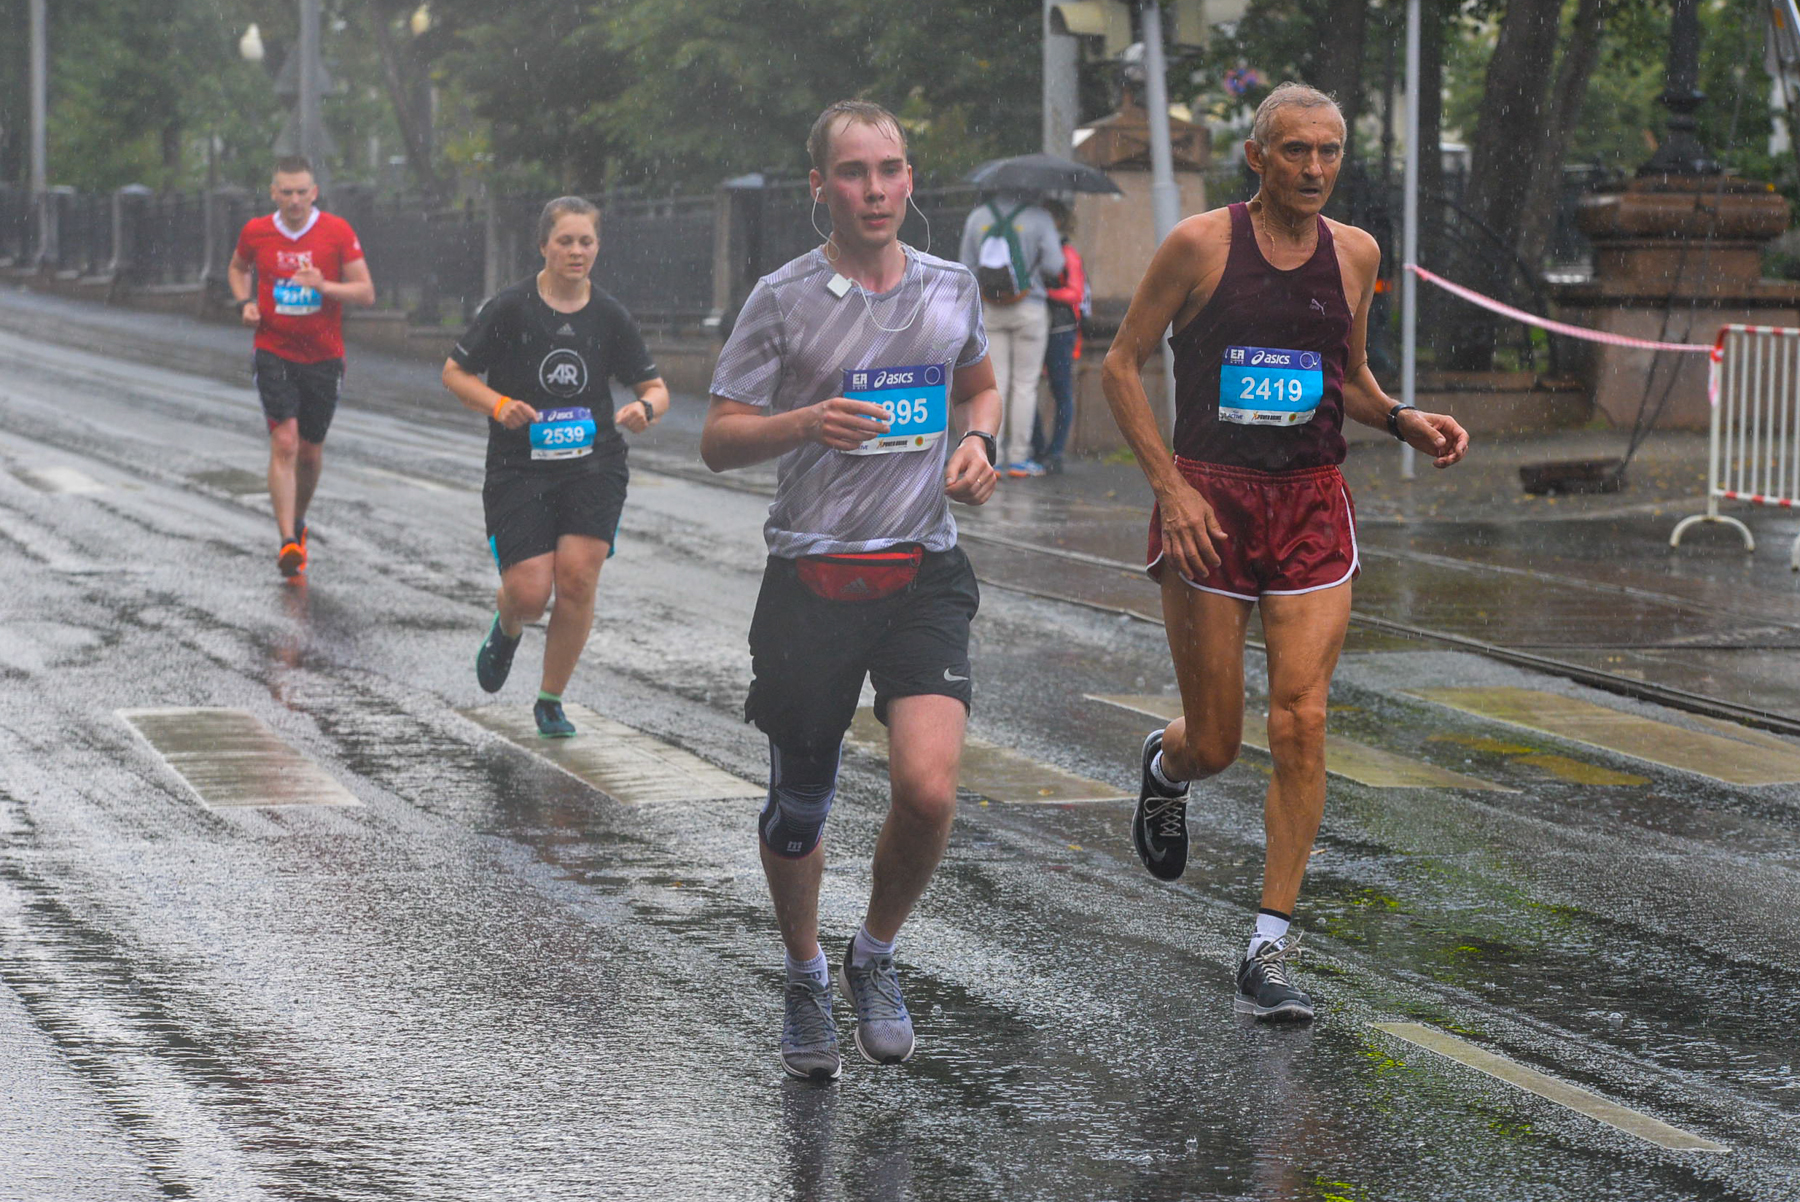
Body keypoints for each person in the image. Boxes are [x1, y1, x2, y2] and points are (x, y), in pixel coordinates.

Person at [1102, 83, 1469, 1022]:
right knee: (1220, 740)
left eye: (1331, 152)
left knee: (1301, 721)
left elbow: (1341, 377)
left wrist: (1400, 418)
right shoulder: (1200, 246)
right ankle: (1166, 767)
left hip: (1310, 504)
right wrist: (1171, 490)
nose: (1315, 169)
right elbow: (1121, 364)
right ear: (1257, 157)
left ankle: (1268, 947)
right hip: (1210, 505)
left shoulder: (1355, 253)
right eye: (1297, 151)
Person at [702, 99, 1000, 1082]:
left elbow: (983, 383)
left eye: (891, 169)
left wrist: (978, 441)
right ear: (820, 187)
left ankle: (874, 952)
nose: (875, 189)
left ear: (909, 180)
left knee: (927, 786)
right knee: (801, 805)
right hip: (813, 582)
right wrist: (802, 423)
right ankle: (802, 970)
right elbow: (717, 438)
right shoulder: (784, 298)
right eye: (854, 172)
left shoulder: (952, 287)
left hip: (922, 568)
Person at [442, 197, 669, 738]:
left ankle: (550, 699)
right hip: (518, 467)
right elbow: (455, 373)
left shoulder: (609, 315)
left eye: (585, 241)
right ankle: (509, 624)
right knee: (529, 592)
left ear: (597, 247)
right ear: (543, 246)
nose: (576, 251)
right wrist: (498, 405)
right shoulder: (511, 308)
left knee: (578, 577)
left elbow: (654, 387)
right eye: (564, 241)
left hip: (594, 465)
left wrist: (646, 409)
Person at [228, 155, 375, 579]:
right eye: (286, 192)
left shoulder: (336, 232)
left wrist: (323, 285)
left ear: (314, 193)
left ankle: (297, 522)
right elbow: (237, 268)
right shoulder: (257, 231)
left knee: (310, 452)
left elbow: (366, 293)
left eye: (301, 192)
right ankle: (286, 540)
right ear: (274, 193)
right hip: (273, 350)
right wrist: (246, 302)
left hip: (325, 357)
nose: (294, 200)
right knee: (286, 443)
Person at [958, 188, 1061, 478]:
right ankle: (1018, 458)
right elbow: (1056, 264)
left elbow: (966, 265)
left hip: (991, 309)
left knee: (995, 384)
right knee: (1025, 384)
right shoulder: (1039, 217)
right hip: (1030, 306)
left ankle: (991, 456)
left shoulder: (978, 217)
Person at [1032, 200, 1087, 474]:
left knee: (1061, 390)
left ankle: (1055, 452)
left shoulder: (1067, 253)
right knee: (1027, 387)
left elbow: (1075, 293)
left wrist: (1045, 294)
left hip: (1060, 329)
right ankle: (1039, 448)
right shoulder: (1037, 252)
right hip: (1036, 325)